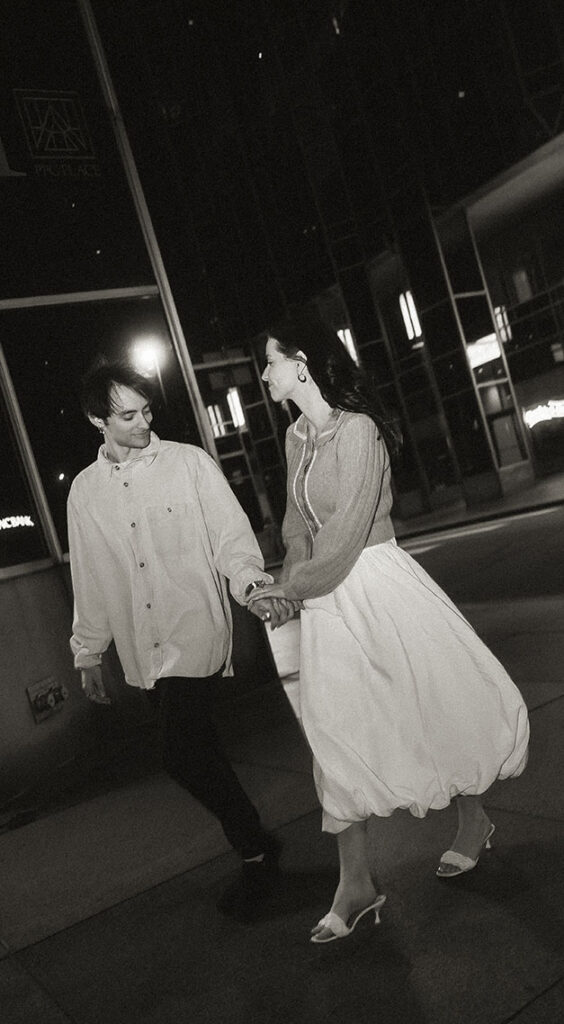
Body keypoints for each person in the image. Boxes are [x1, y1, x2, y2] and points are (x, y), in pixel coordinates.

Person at [247, 313, 530, 944]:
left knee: (431, 707)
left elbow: (348, 534)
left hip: (377, 583)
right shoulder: (296, 437)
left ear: (301, 363)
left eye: (269, 362)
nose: (263, 375)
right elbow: (298, 529)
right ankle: (355, 884)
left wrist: (292, 588)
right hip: (328, 602)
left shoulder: (360, 430)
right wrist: (290, 586)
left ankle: (473, 820)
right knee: (333, 734)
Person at [68, 361, 282, 915]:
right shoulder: (85, 493)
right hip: (144, 647)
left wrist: (252, 585)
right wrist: (88, 652)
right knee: (198, 750)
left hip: (194, 629)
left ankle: (256, 849)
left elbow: (230, 538)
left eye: (146, 410)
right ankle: (258, 849)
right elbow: (90, 577)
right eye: (127, 415)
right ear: (97, 420)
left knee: (178, 753)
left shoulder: (189, 463)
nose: (144, 422)